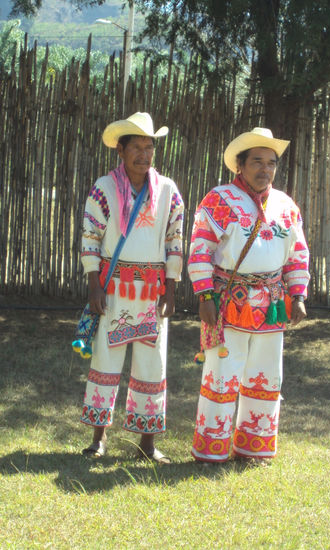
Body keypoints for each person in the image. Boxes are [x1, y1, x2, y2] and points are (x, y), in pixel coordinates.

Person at [187, 127, 310, 463]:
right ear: (239, 165)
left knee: (266, 374)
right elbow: (200, 250)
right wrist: (205, 296)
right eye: (257, 161)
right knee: (223, 375)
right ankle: (211, 449)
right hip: (229, 303)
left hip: (272, 305)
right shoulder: (219, 200)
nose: (265, 169)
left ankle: (253, 447)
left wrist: (297, 294)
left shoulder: (285, 205)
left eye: (271, 163)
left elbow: (298, 252)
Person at [79, 112, 184, 463]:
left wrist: (171, 287)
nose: (144, 154)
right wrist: (95, 285)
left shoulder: (167, 190)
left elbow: (174, 240)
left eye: (149, 147)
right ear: (121, 151)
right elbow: (90, 238)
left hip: (152, 294)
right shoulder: (104, 188)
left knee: (152, 364)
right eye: (136, 147)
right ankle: (99, 439)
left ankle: (147, 443)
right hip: (114, 290)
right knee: (106, 358)